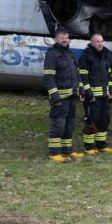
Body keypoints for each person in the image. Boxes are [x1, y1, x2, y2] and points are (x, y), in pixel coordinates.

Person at [43, 27, 85, 162]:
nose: (65, 40)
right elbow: (48, 77)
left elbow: (77, 76)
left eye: (66, 37)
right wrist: (55, 96)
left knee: (70, 125)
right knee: (58, 125)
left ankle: (67, 151)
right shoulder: (52, 54)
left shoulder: (71, 54)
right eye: (62, 38)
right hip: (60, 98)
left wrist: (81, 90)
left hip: (72, 96)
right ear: (56, 39)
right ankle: (54, 153)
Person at [78, 34, 112, 154]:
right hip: (92, 97)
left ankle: (101, 145)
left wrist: (110, 90)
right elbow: (83, 76)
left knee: (104, 120)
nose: (100, 44)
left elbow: (109, 75)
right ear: (92, 43)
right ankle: (89, 147)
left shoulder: (105, 56)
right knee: (91, 120)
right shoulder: (86, 57)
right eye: (97, 42)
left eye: (101, 41)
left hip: (104, 96)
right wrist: (89, 94)